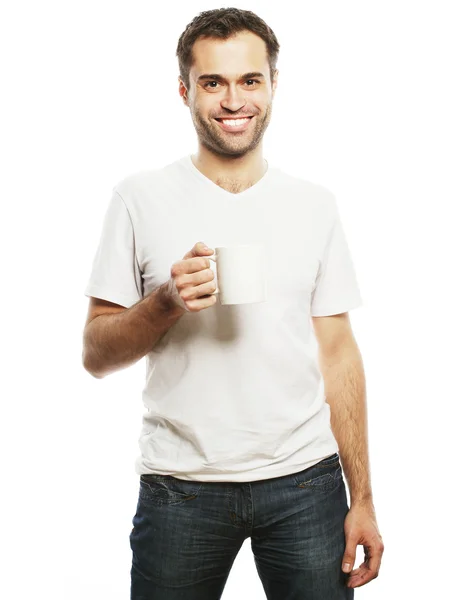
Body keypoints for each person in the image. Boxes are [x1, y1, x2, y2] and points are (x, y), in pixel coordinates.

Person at [82, 7, 384, 599]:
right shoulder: (138, 198)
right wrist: (165, 303)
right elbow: (95, 353)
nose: (233, 100)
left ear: (273, 85)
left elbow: (339, 353)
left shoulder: (314, 205)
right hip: (181, 488)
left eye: (250, 80)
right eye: (213, 82)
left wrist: (364, 499)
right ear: (184, 90)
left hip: (307, 484)